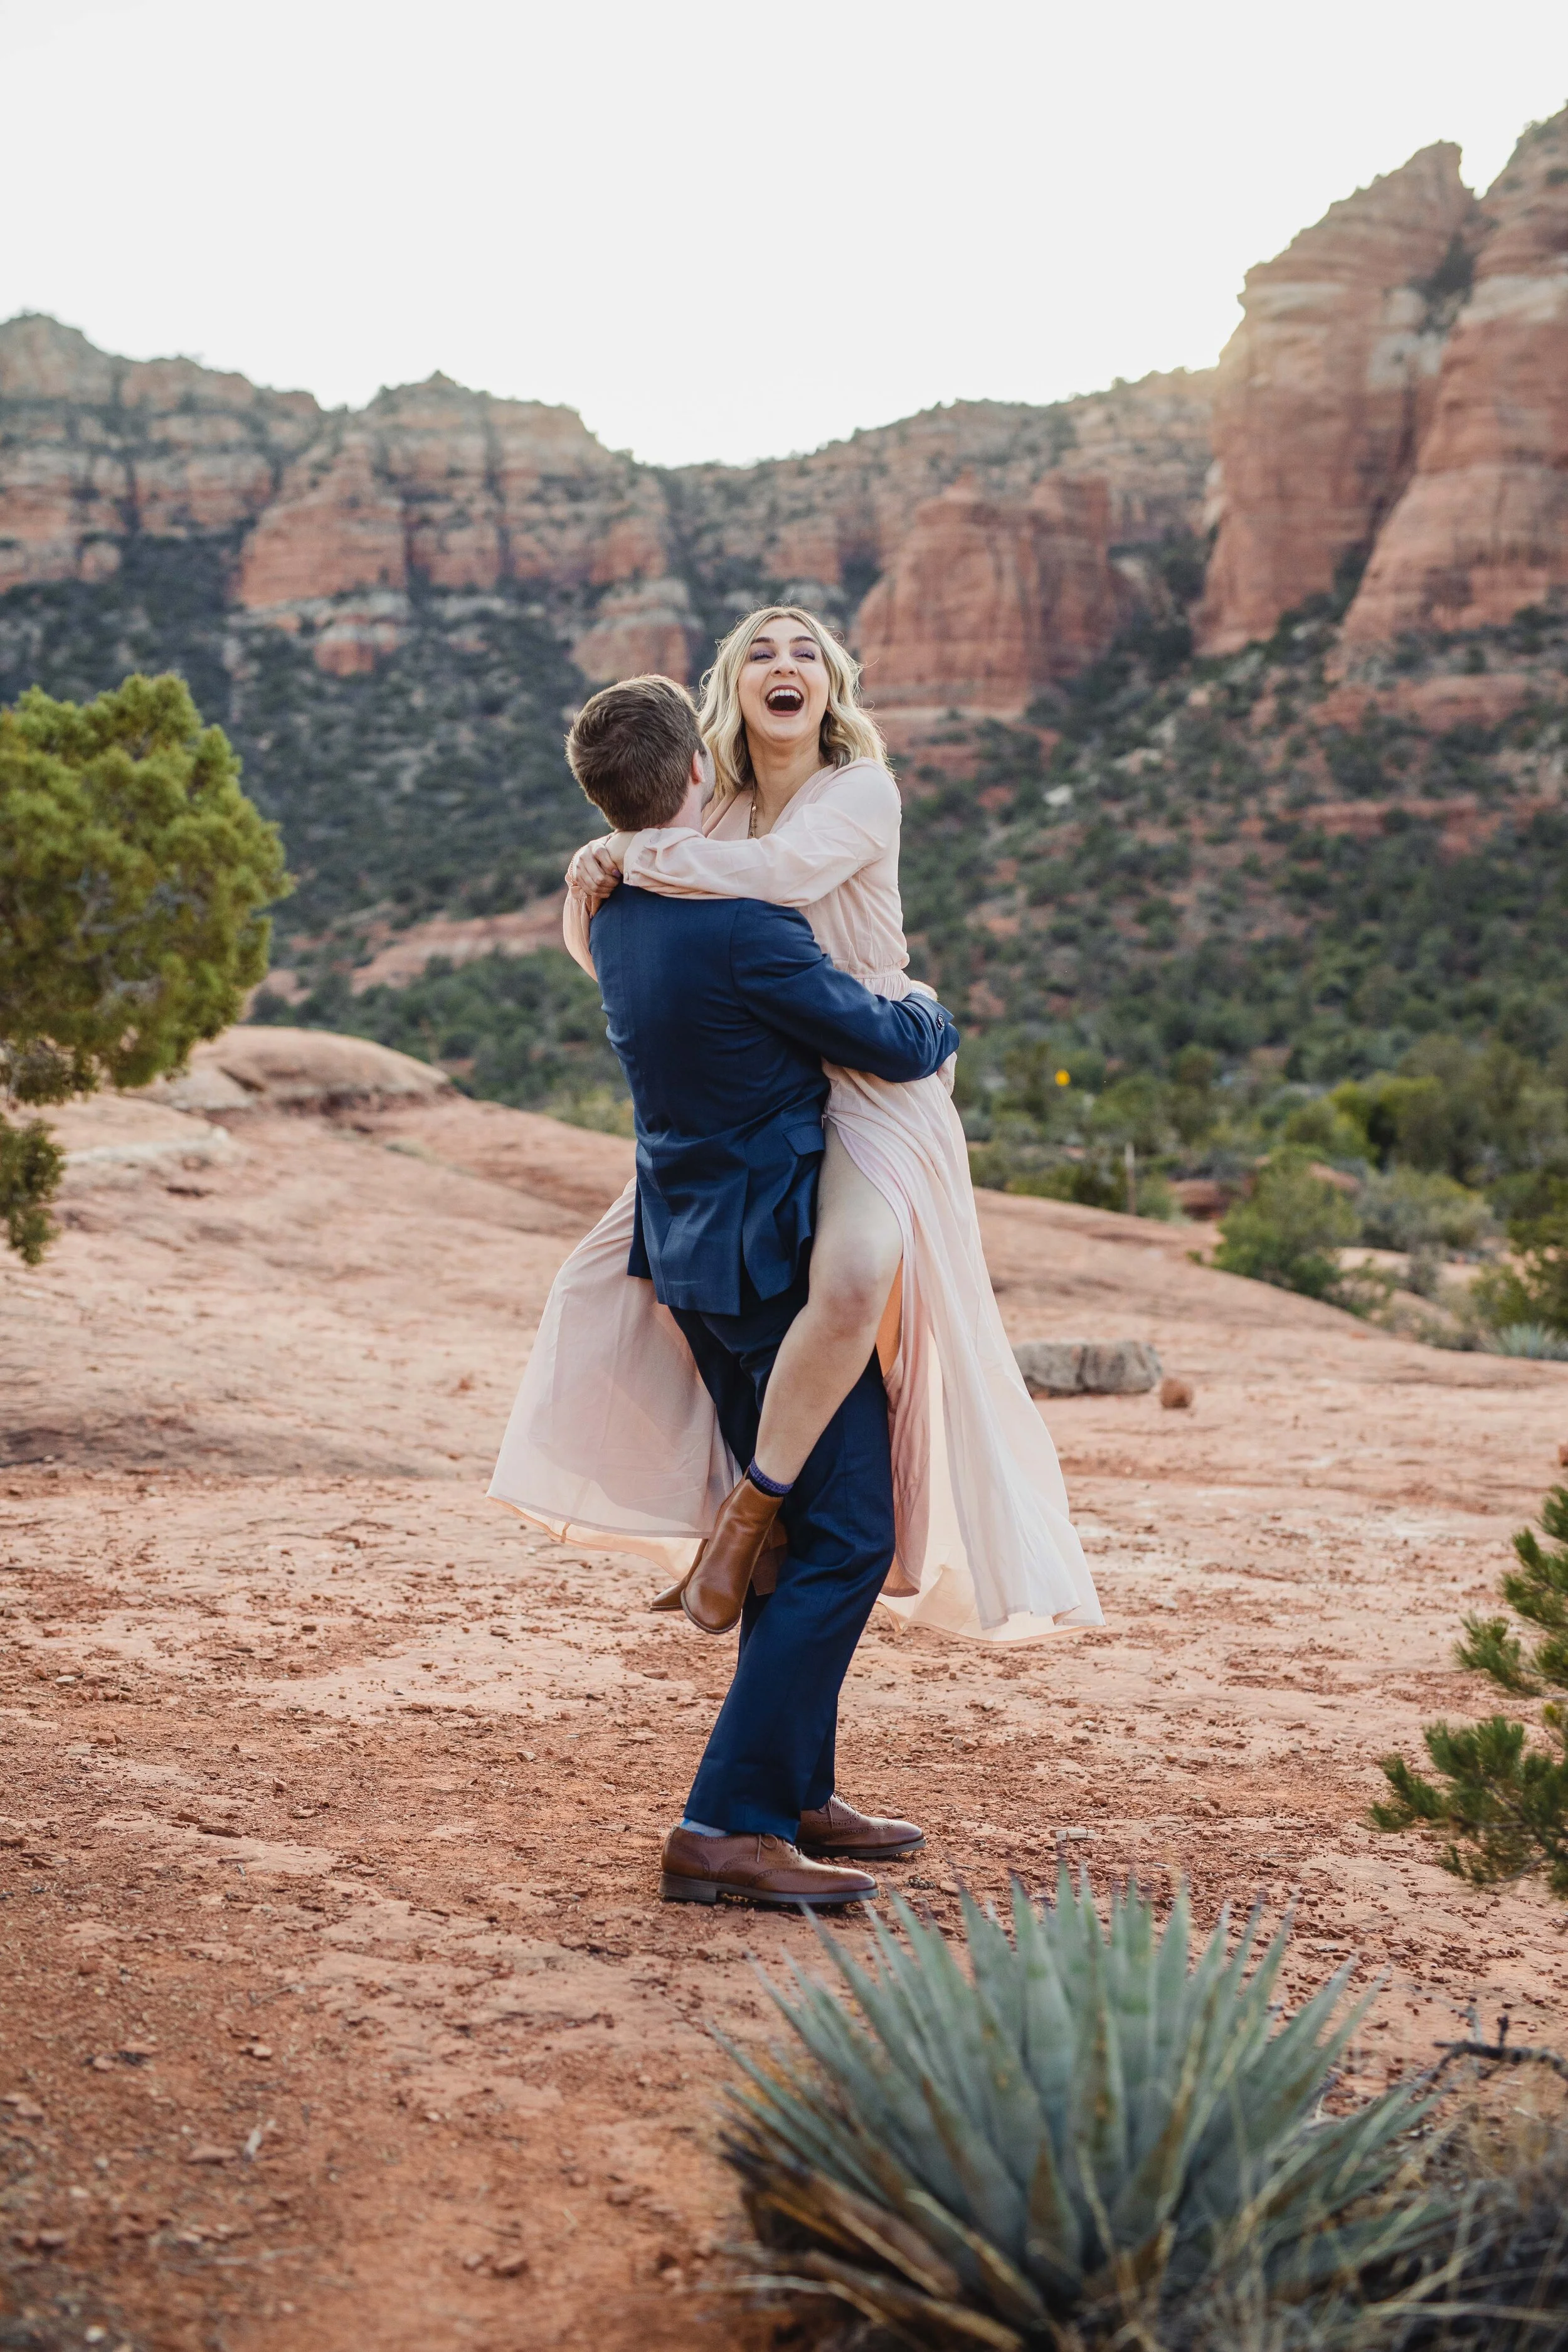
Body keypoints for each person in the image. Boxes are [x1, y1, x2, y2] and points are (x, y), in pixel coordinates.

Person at [541, 606, 1102, 1641]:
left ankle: (747, 1518)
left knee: (849, 1281)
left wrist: (631, 851)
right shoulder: (713, 809)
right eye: (761, 649)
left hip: (877, 1073)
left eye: (807, 650)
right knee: (624, 1267)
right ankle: (720, 1514)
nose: (784, 662)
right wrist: (605, 862)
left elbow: (783, 879)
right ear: (732, 688)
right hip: (777, 1085)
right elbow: (626, 952)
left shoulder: (861, 792)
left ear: (832, 687)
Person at [537, 672, 960, 1907]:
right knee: (846, 1537)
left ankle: (795, 1789)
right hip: (774, 1262)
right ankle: (722, 1822)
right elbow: (887, 1044)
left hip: (689, 1250)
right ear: (692, 778)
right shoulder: (737, 925)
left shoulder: (612, 908)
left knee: (789, 1546)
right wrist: (928, 1007)